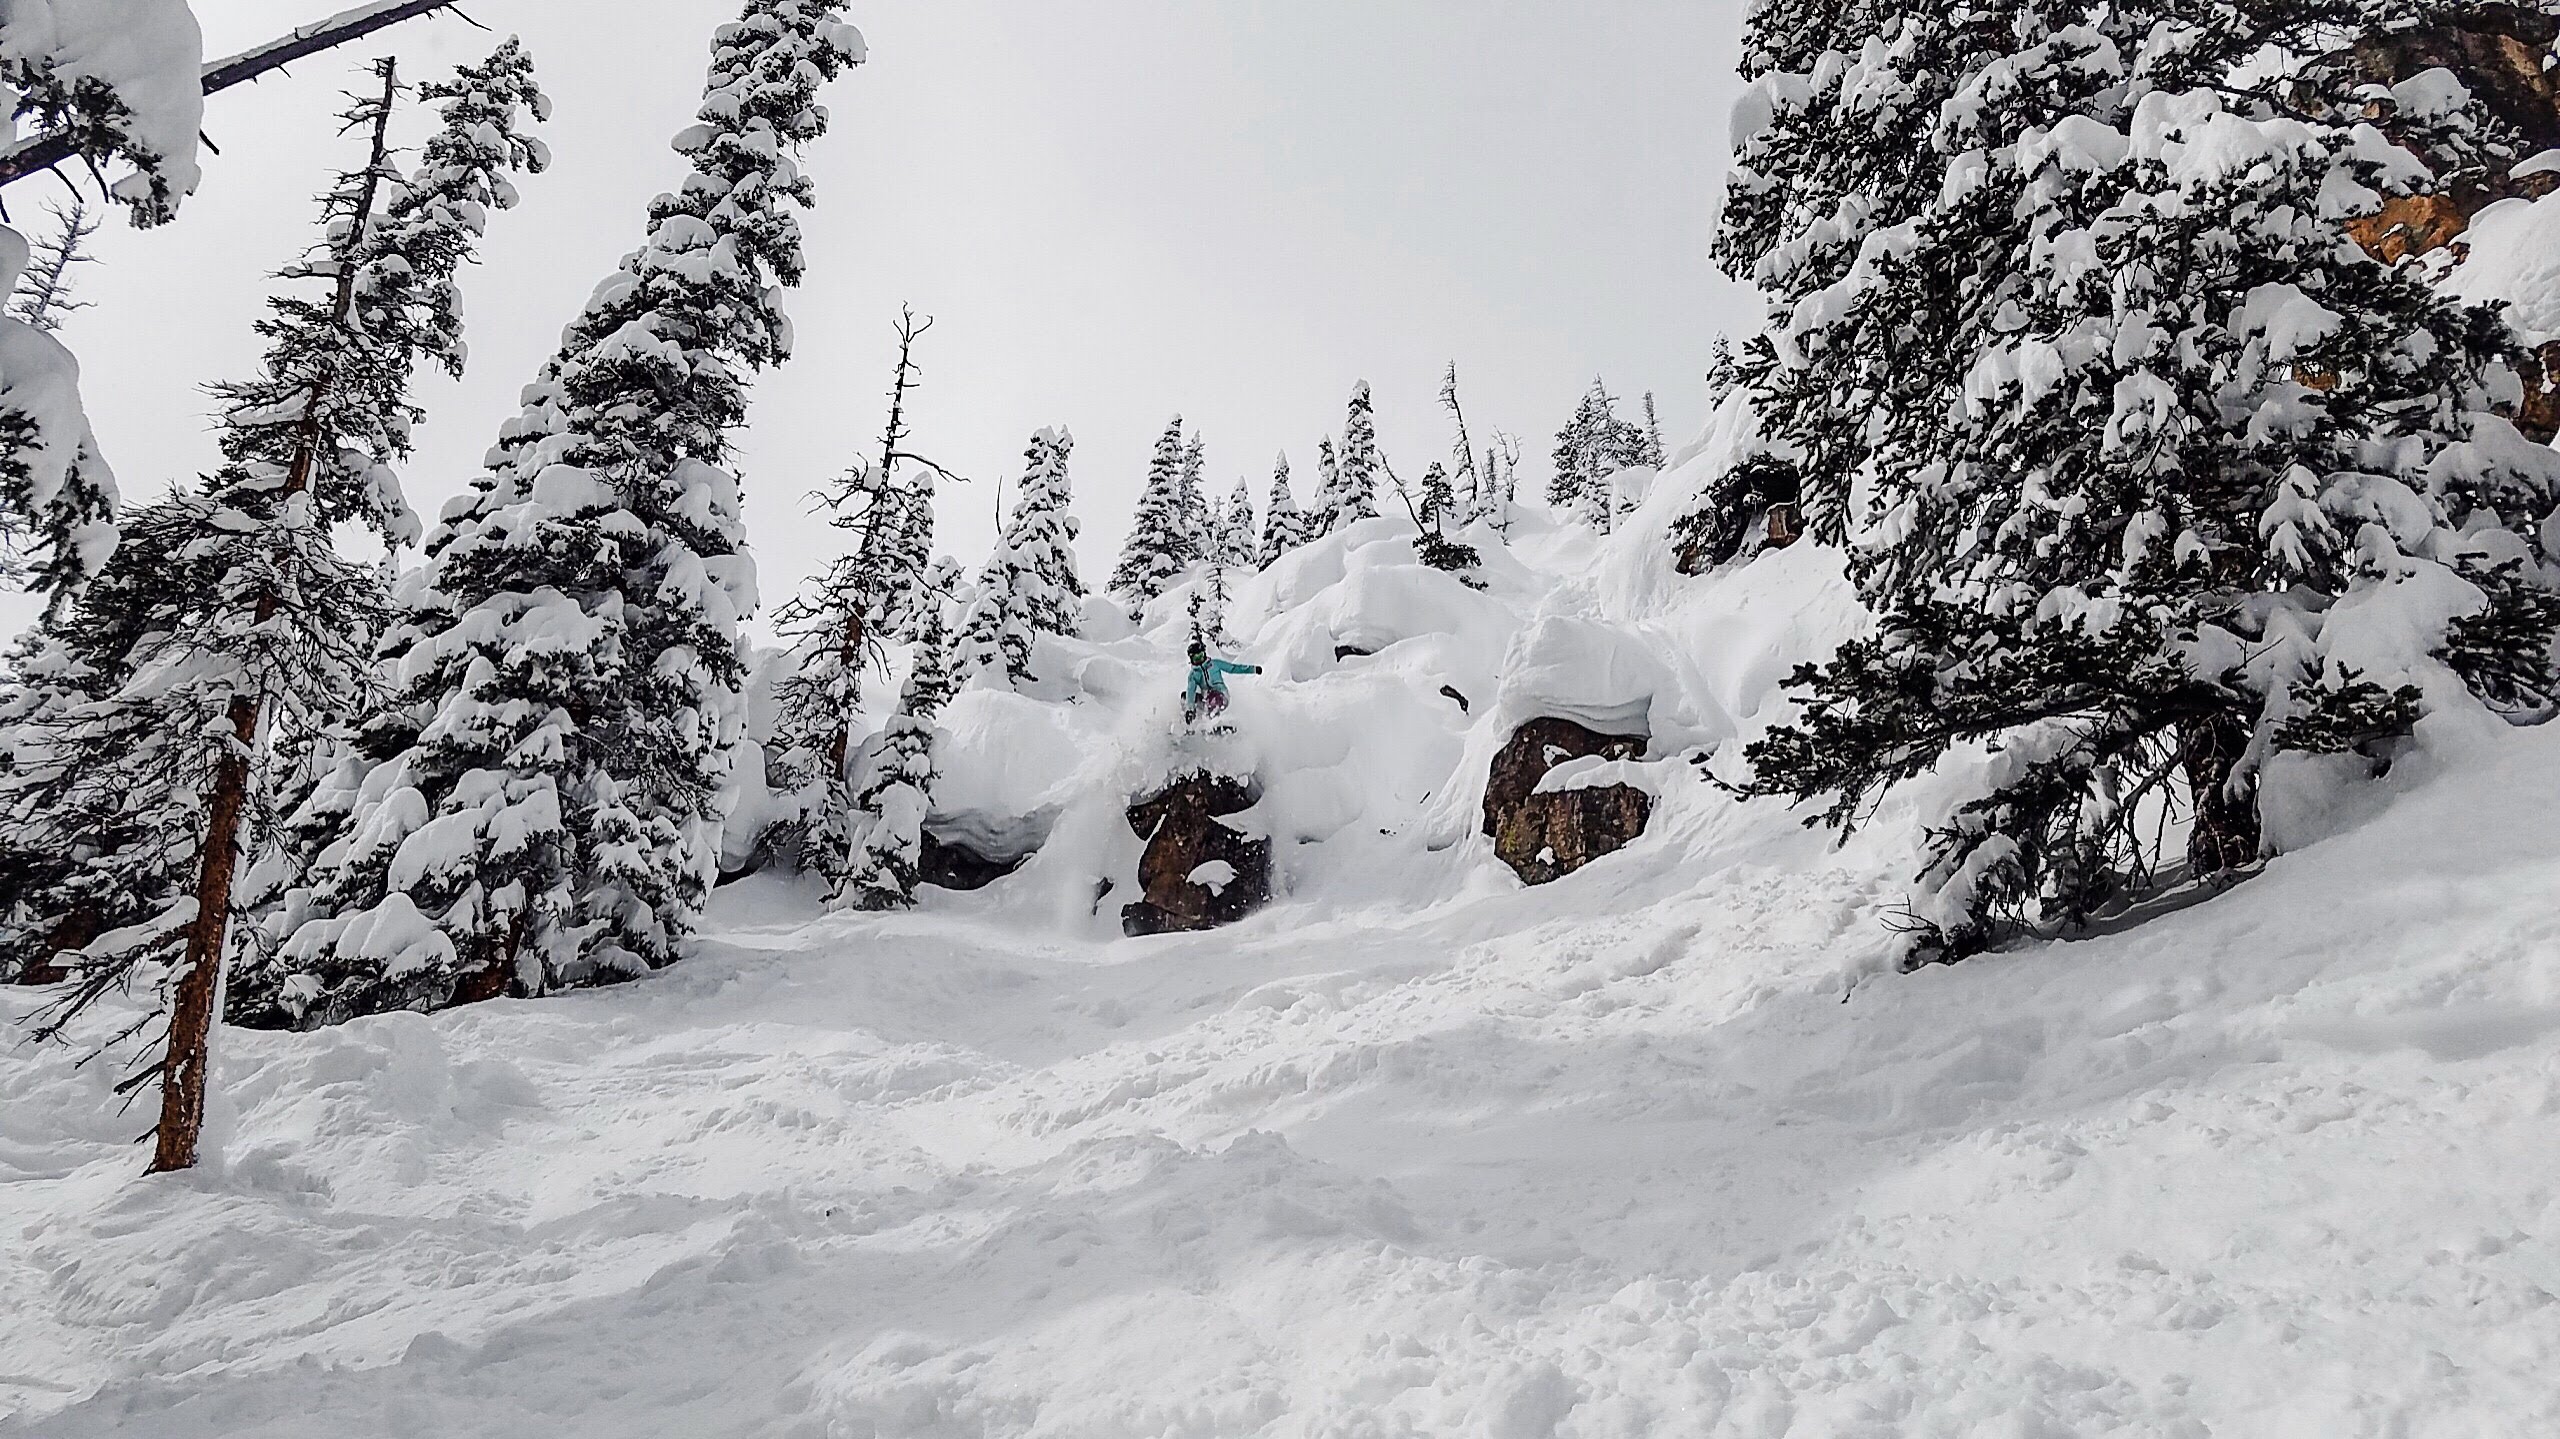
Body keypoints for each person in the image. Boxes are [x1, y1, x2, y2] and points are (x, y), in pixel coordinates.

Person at [1183, 630, 1260, 727]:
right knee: (1185, 696)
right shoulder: (1193, 675)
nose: (1200, 660)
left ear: (1204, 654)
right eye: (1196, 658)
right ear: (1191, 659)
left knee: (1213, 699)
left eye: (1201, 656)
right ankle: (1189, 724)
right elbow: (1191, 691)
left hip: (1221, 696)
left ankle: (1212, 724)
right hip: (1205, 699)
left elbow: (1233, 668)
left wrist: (1253, 669)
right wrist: (1189, 709)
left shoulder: (1215, 664)